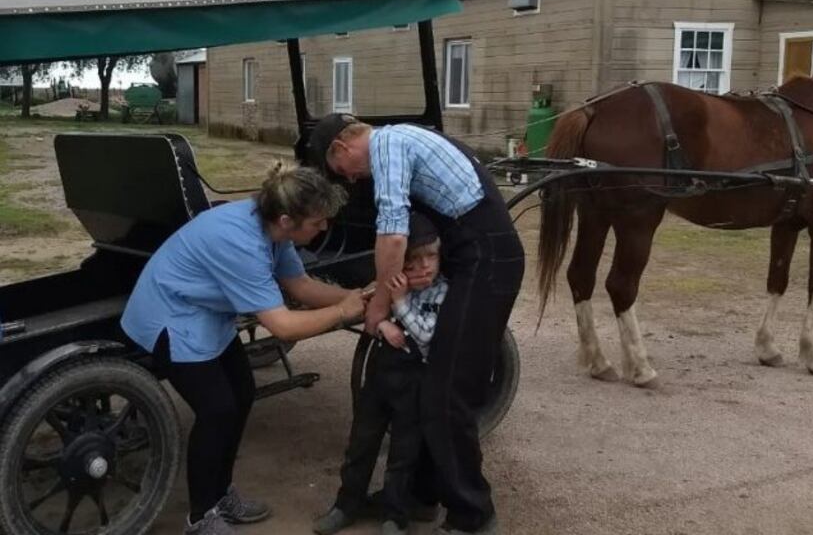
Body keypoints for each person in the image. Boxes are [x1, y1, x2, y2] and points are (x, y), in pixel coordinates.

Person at [120, 162, 368, 535]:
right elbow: (282, 324)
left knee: (243, 393)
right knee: (217, 409)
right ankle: (200, 517)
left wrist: (354, 296)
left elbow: (299, 285)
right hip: (171, 317)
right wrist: (342, 313)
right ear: (287, 220)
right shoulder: (240, 242)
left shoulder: (275, 230)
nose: (324, 227)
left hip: (206, 314)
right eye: (318, 221)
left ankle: (221, 495)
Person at [307, 114, 525, 534]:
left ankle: (474, 515)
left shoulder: (386, 147)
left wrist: (379, 309)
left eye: (342, 172)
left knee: (448, 393)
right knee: (432, 385)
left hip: (487, 260)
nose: (351, 179)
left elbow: (392, 236)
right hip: (472, 254)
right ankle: (422, 495)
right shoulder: (404, 138)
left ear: (340, 148)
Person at [314, 212, 448, 535]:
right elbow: (372, 312)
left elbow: (427, 336)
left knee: (404, 453)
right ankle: (346, 505)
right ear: (401, 264)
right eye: (414, 261)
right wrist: (384, 322)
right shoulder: (390, 285)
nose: (424, 267)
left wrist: (400, 305)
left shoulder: (441, 292)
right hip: (380, 377)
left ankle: (395, 516)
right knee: (361, 443)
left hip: (414, 382)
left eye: (431, 257)